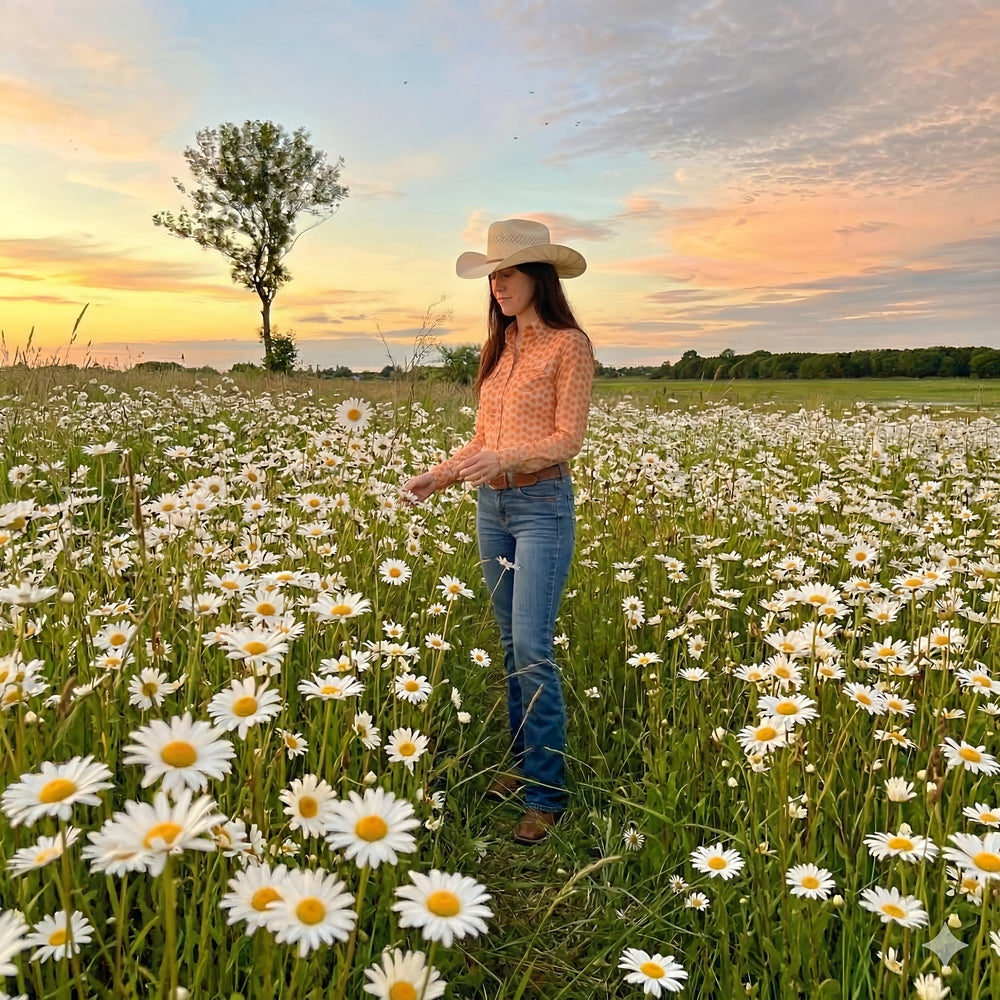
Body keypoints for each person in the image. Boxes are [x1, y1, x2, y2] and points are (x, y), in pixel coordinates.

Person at [403, 218, 593, 844]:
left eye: (506, 275)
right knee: (510, 648)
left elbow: (568, 438)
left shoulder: (569, 345)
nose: (496, 288)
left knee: (534, 647)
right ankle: (522, 765)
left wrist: (505, 461)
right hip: (493, 508)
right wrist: (442, 473)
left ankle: (545, 791)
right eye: (491, 278)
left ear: (537, 276)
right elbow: (484, 440)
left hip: (542, 506)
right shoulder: (501, 345)